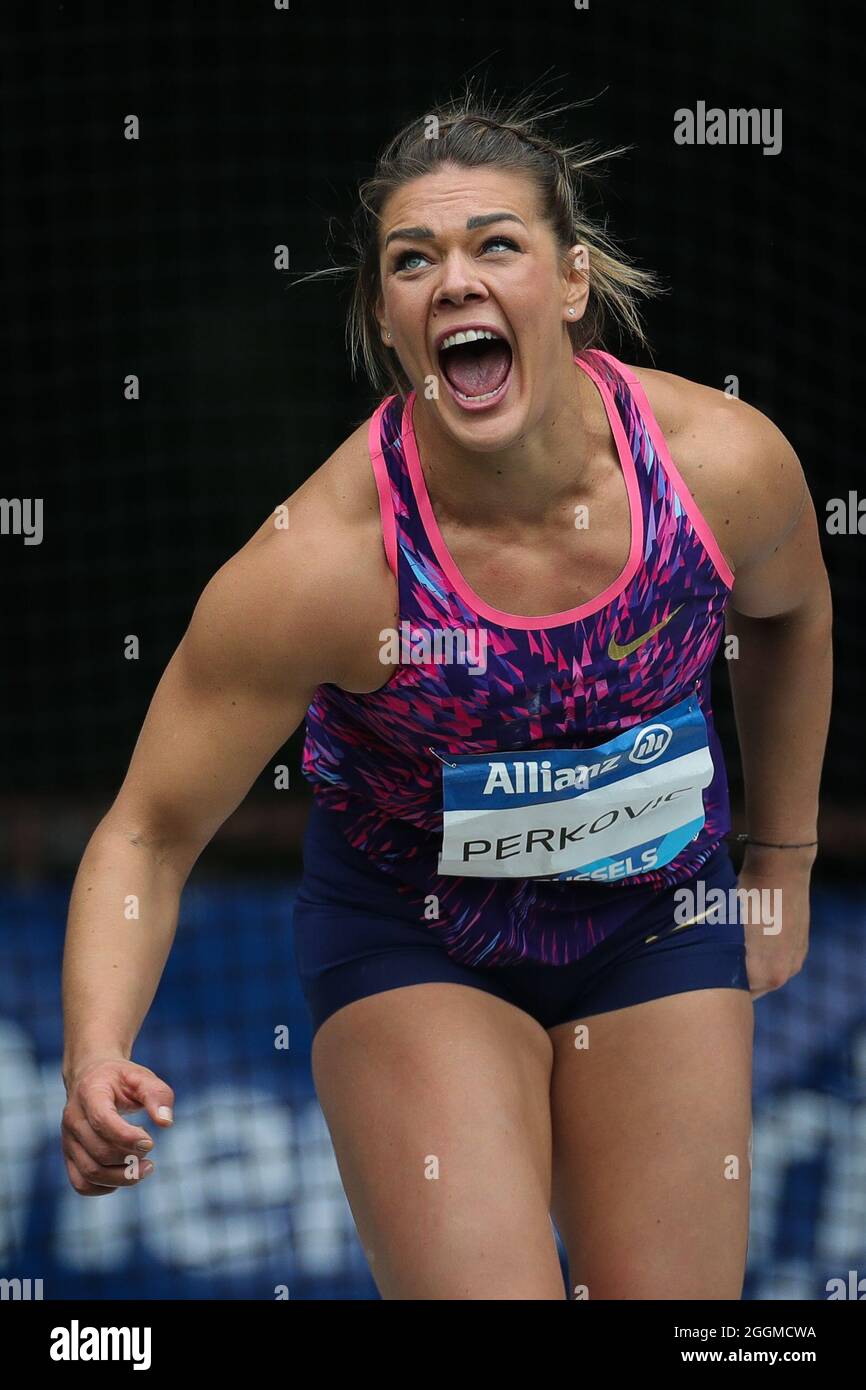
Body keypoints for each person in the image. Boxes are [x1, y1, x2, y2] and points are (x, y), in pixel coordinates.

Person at [61, 87, 832, 1300]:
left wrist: (778, 862)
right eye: (412, 260)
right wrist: (96, 1047)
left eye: (495, 244)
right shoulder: (322, 565)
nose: (454, 279)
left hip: (655, 924)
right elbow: (148, 834)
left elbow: (791, 619)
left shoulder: (720, 467)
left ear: (570, 283)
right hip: (416, 941)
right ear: (387, 314)